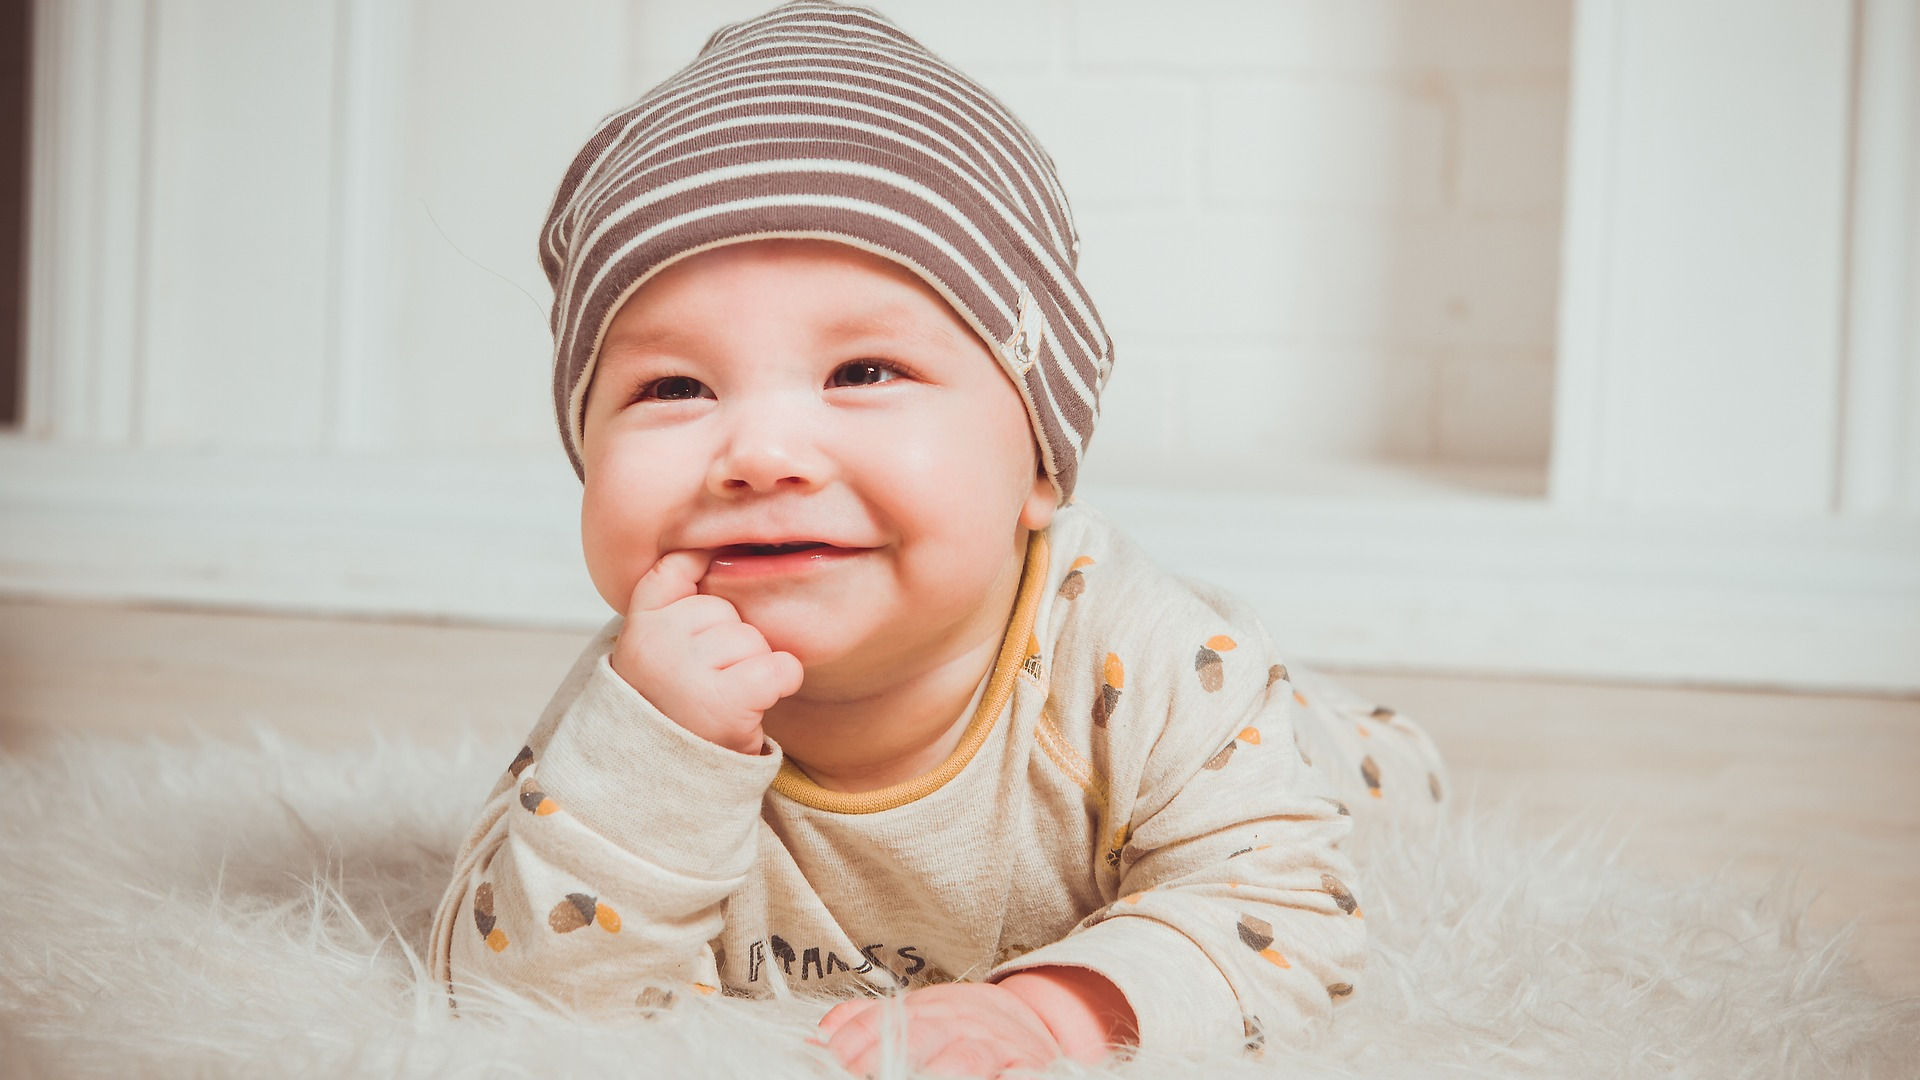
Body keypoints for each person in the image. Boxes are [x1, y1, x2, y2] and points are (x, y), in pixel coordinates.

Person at [428, 2, 1449, 1074]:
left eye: (863, 372)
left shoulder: (1147, 662)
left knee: (1345, 785)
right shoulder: (640, 707)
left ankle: (1347, 728)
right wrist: (653, 764)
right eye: (673, 385)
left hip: (1236, 721)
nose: (762, 452)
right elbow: (500, 993)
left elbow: (1282, 911)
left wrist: (1058, 1012)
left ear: (1041, 465)